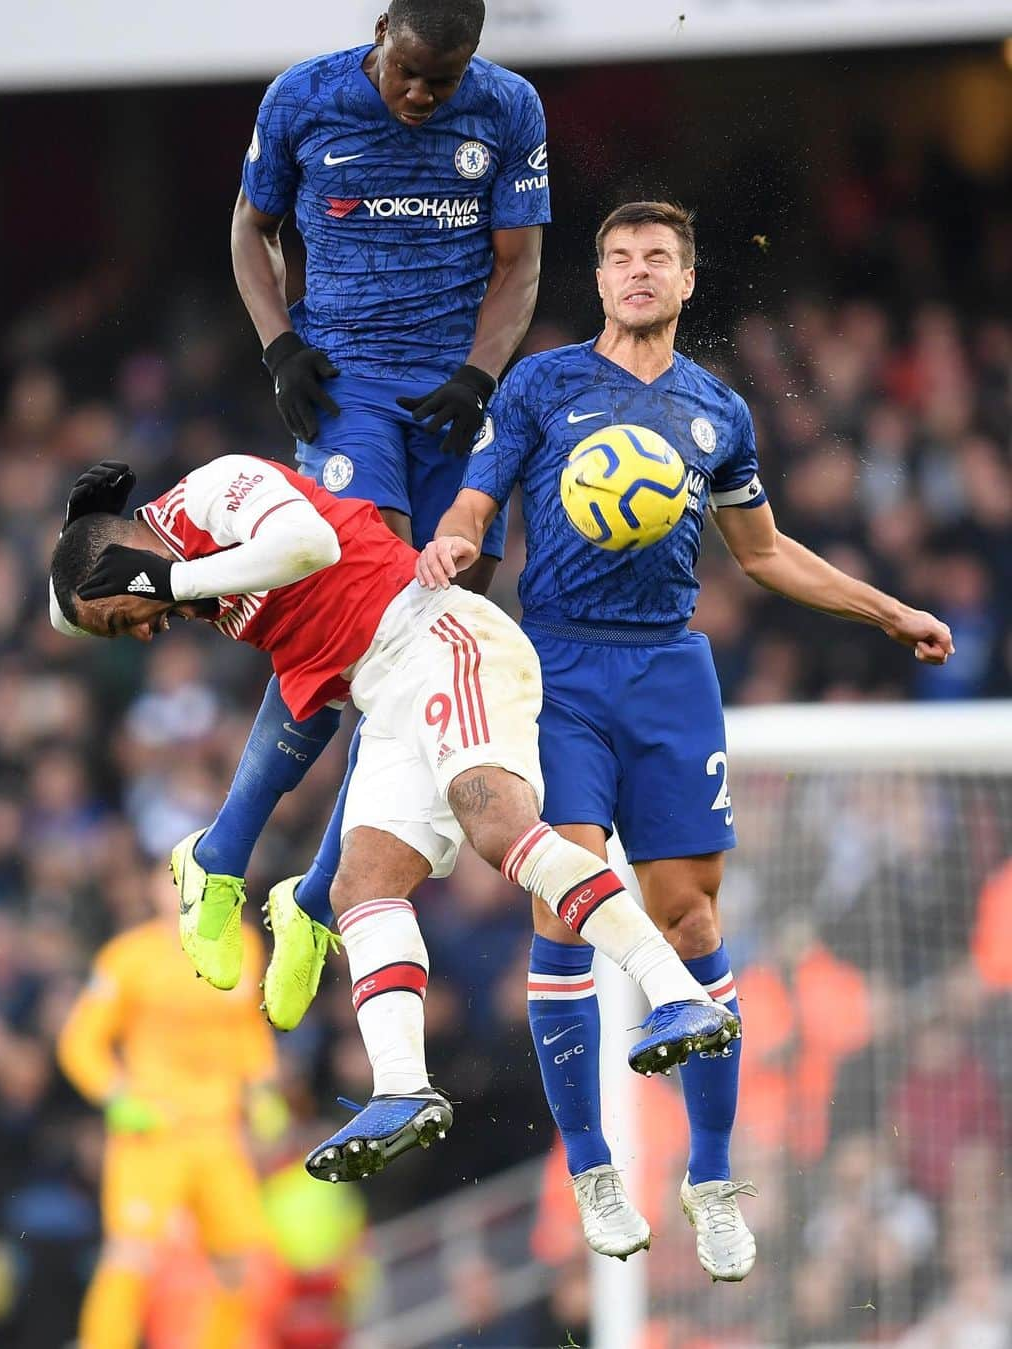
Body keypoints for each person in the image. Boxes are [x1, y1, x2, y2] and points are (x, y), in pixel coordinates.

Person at [416, 200, 955, 1273]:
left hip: (669, 672)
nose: (636, 273)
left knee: (692, 913)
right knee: (561, 899)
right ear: (603, 280)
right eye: (619, 259)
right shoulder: (543, 382)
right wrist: (458, 535)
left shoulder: (718, 411)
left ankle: (712, 1177)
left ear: (689, 280)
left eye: (657, 258)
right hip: (558, 665)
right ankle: (593, 1166)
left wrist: (887, 608)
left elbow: (763, 553)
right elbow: (477, 501)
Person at [49, 450, 738, 1185]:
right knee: (361, 887)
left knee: (500, 829)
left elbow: (309, 541)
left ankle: (678, 995)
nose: (146, 632)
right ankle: (403, 1087)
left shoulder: (211, 492)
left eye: (127, 618)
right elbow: (301, 683)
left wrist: (164, 579)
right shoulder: (196, 593)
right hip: (384, 694)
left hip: (439, 638)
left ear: (131, 564)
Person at [185, 0, 550, 940]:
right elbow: (249, 226)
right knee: (367, 615)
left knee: (440, 622)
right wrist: (278, 348)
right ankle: (222, 851)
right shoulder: (303, 97)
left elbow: (519, 266)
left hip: (455, 399)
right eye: (408, 72)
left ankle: (314, 896)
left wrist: (480, 373)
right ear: (381, 29)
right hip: (348, 382)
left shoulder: (509, 108)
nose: (422, 94)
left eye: (445, 78)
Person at [56, 860, 288, 1349]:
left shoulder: (243, 945)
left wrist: (264, 1089)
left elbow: (249, 1027)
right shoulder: (127, 958)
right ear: (155, 891)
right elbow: (80, 1042)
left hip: (220, 1130)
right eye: (180, 885)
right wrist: (116, 1095)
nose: (191, 896)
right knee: (132, 1253)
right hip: (153, 1128)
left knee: (239, 1262)